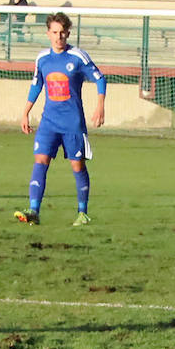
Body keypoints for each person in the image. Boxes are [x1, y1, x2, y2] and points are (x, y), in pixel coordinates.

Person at [14, 12, 106, 226]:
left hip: (72, 124)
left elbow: (100, 79)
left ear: (68, 33)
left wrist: (100, 106)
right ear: (48, 33)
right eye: (55, 32)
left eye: (62, 33)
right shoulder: (42, 59)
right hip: (49, 122)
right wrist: (25, 112)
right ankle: (34, 211)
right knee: (40, 160)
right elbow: (37, 85)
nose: (59, 37)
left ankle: (82, 213)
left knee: (77, 165)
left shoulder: (78, 56)